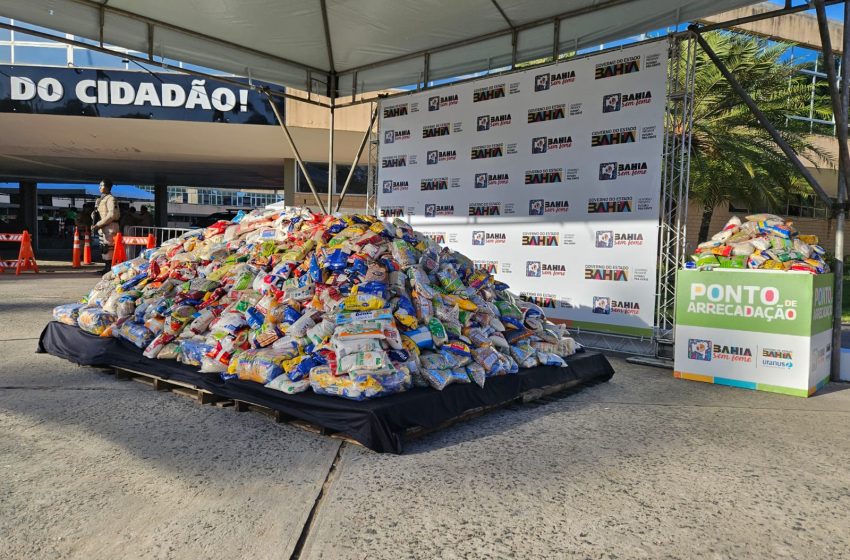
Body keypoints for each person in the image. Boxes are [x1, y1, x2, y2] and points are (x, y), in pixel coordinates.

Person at [91, 180, 121, 272]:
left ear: (107, 187)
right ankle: (106, 267)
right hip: (104, 226)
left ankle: (109, 268)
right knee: (104, 247)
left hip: (110, 226)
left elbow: (112, 215)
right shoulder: (101, 199)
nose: (99, 187)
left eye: (101, 185)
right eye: (99, 186)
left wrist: (98, 224)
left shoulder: (111, 199)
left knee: (108, 248)